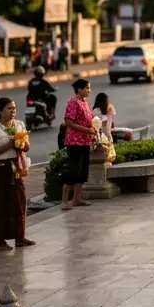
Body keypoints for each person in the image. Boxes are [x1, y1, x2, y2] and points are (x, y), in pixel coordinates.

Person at [0, 97, 34, 250]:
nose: (12, 111)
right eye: (9, 109)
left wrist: (22, 145)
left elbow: (27, 146)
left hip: (15, 167)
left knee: (19, 202)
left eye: (14, 108)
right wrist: (9, 145)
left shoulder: (19, 124)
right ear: (0, 111)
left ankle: (20, 237)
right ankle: (0, 241)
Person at [60, 78, 96, 210]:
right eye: (87, 88)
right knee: (73, 170)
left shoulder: (84, 102)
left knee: (82, 171)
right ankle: (64, 201)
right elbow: (69, 122)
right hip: (74, 142)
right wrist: (86, 130)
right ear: (80, 90)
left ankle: (77, 198)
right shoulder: (73, 102)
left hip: (85, 142)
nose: (89, 91)